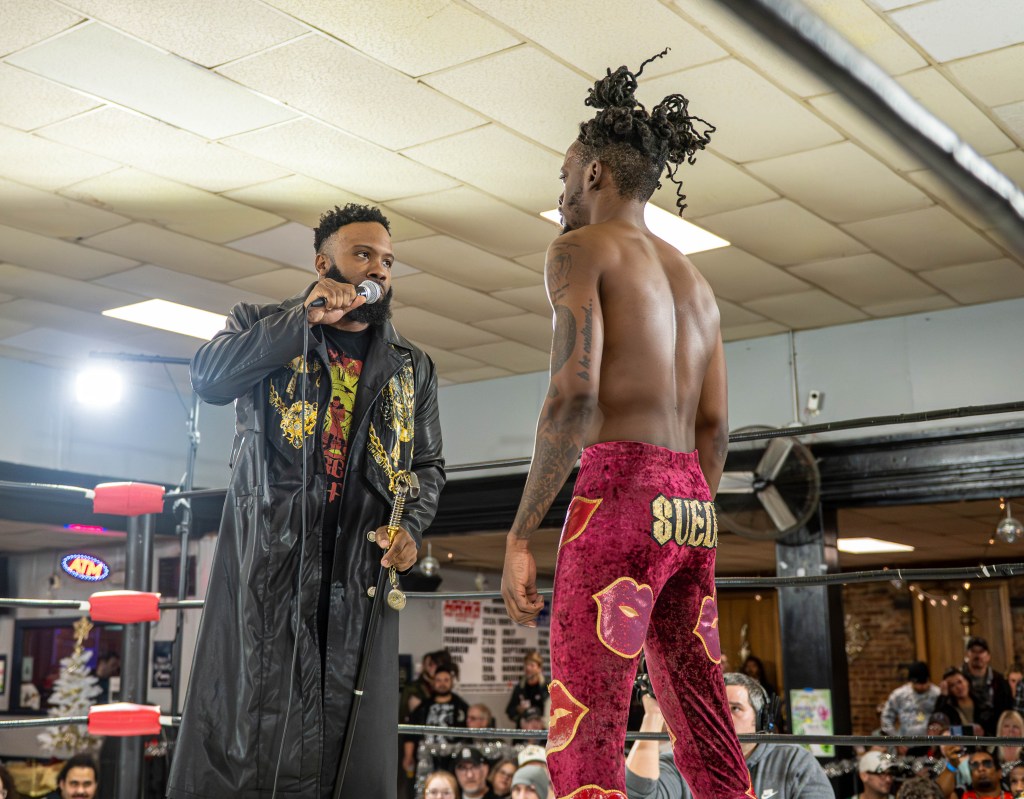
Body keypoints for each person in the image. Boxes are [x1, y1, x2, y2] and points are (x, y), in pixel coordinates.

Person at [500, 51, 744, 799]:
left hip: (620, 494)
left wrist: (520, 532)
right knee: (703, 717)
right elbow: (717, 426)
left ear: (597, 173)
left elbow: (571, 400)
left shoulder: (577, 249)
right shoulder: (696, 280)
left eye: (567, 173)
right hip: (692, 502)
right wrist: (687, 504)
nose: (562, 189)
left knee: (589, 721)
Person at [167, 203, 445, 799]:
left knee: (351, 731)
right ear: (325, 264)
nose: (379, 270)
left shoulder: (410, 367)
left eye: (388, 260)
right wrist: (302, 318)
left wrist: (413, 529)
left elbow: (427, 466)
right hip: (275, 563)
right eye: (363, 255)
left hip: (359, 567)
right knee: (259, 732)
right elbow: (209, 379)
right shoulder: (262, 324)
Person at [625, 672, 833, 799]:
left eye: (734, 709)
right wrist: (653, 715)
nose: (722, 718)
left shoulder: (793, 761)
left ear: (760, 720)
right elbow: (638, 796)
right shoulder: (680, 761)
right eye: (716, 709)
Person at [405, 665, 470, 773]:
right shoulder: (423, 707)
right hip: (427, 757)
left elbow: (471, 733)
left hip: (455, 759)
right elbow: (410, 734)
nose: (442, 684)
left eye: (446, 680)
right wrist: (408, 755)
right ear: (433, 683)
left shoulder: (462, 707)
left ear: (452, 682)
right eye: (438, 680)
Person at [881, 661, 940, 755]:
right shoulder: (899, 695)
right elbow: (886, 718)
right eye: (917, 683)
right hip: (906, 745)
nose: (921, 686)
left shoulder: (937, 694)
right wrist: (896, 740)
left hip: (931, 745)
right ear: (911, 681)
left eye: (924, 683)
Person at [962, 638, 1014, 736]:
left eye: (981, 651)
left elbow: (1008, 711)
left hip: (995, 735)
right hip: (965, 735)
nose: (977, 655)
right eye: (973, 651)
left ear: (988, 656)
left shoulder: (1000, 681)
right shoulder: (959, 681)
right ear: (967, 655)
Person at [506, 651, 548, 728]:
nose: (528, 668)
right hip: (523, 734)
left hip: (543, 734)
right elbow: (509, 711)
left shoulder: (547, 688)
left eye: (532, 665)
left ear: (539, 668)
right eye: (526, 665)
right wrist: (518, 709)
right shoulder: (519, 688)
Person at [936, 668, 982, 735]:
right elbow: (938, 724)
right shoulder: (948, 709)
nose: (958, 687)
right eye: (952, 685)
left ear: (967, 682)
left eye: (960, 682)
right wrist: (943, 696)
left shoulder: (981, 702)